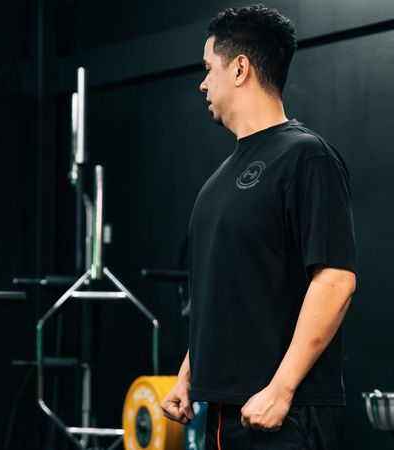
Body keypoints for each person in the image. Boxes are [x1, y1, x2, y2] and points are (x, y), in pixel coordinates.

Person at [160, 5, 356, 449]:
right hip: (225, 413)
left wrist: (281, 389)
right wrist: (189, 374)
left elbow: (336, 281)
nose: (203, 83)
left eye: (210, 68)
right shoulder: (219, 180)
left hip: (284, 415)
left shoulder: (307, 157)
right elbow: (225, 291)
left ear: (241, 68)